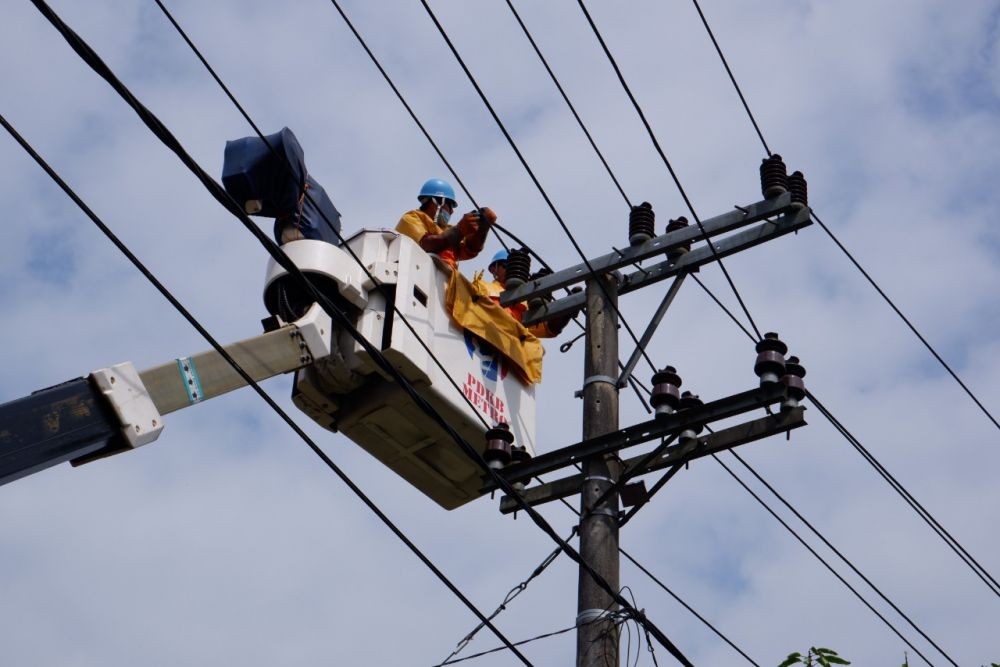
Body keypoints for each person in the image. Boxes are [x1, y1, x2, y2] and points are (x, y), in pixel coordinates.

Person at [396, 179, 496, 269]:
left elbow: (470, 250)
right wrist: (460, 230)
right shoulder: (411, 218)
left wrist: (483, 228)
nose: (452, 211)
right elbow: (427, 244)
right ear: (437, 202)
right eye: (450, 205)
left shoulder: (447, 229)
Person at [483, 250, 572, 338]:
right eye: (507, 265)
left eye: (515, 265)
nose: (512, 269)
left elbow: (549, 328)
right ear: (494, 269)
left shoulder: (527, 302)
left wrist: (570, 305)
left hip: (511, 347)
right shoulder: (483, 287)